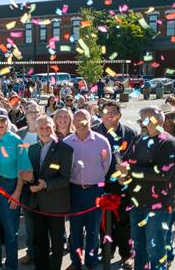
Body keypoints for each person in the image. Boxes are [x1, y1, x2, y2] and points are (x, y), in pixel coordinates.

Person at [118, 106, 175, 270]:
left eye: (145, 120)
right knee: (139, 248)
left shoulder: (169, 143)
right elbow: (127, 162)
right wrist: (125, 176)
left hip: (159, 207)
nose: (141, 124)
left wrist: (131, 171)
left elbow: (162, 174)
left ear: (159, 121)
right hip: (137, 204)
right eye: (140, 120)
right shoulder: (138, 139)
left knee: (155, 249)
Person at [20, 116, 74, 270]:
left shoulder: (65, 149)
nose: (44, 131)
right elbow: (32, 176)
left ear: (54, 128)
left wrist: (45, 184)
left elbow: (65, 179)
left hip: (56, 205)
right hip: (37, 204)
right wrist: (30, 180)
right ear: (36, 130)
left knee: (57, 244)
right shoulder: (33, 148)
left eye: (48, 127)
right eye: (41, 128)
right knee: (39, 242)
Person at [0, 108, 32, 270]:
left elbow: (22, 169)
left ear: (8, 122)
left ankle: (11, 265)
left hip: (10, 187)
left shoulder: (17, 140)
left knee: (10, 230)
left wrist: (17, 193)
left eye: (3, 120)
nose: (0, 124)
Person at [91, 100, 137, 269]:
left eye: (113, 112)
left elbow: (136, 159)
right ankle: (107, 250)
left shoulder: (130, 133)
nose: (109, 115)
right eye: (105, 112)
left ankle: (126, 254)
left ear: (119, 115)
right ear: (100, 114)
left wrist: (128, 172)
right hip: (100, 185)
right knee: (103, 223)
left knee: (124, 223)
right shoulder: (94, 132)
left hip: (123, 186)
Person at [64, 110, 111, 270]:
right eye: (76, 119)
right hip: (74, 191)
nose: (80, 122)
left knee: (93, 230)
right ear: (73, 122)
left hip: (94, 192)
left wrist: (93, 180)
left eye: (83, 119)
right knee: (75, 231)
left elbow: (106, 165)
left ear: (90, 120)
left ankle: (91, 263)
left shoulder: (102, 141)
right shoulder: (67, 142)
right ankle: (76, 262)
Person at [16, 103, 43, 266]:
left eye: (37, 111)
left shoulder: (46, 131)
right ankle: (31, 251)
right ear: (25, 114)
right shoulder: (20, 134)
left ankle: (45, 251)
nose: (33, 114)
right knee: (29, 221)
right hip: (24, 183)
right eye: (30, 111)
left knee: (45, 219)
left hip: (42, 182)